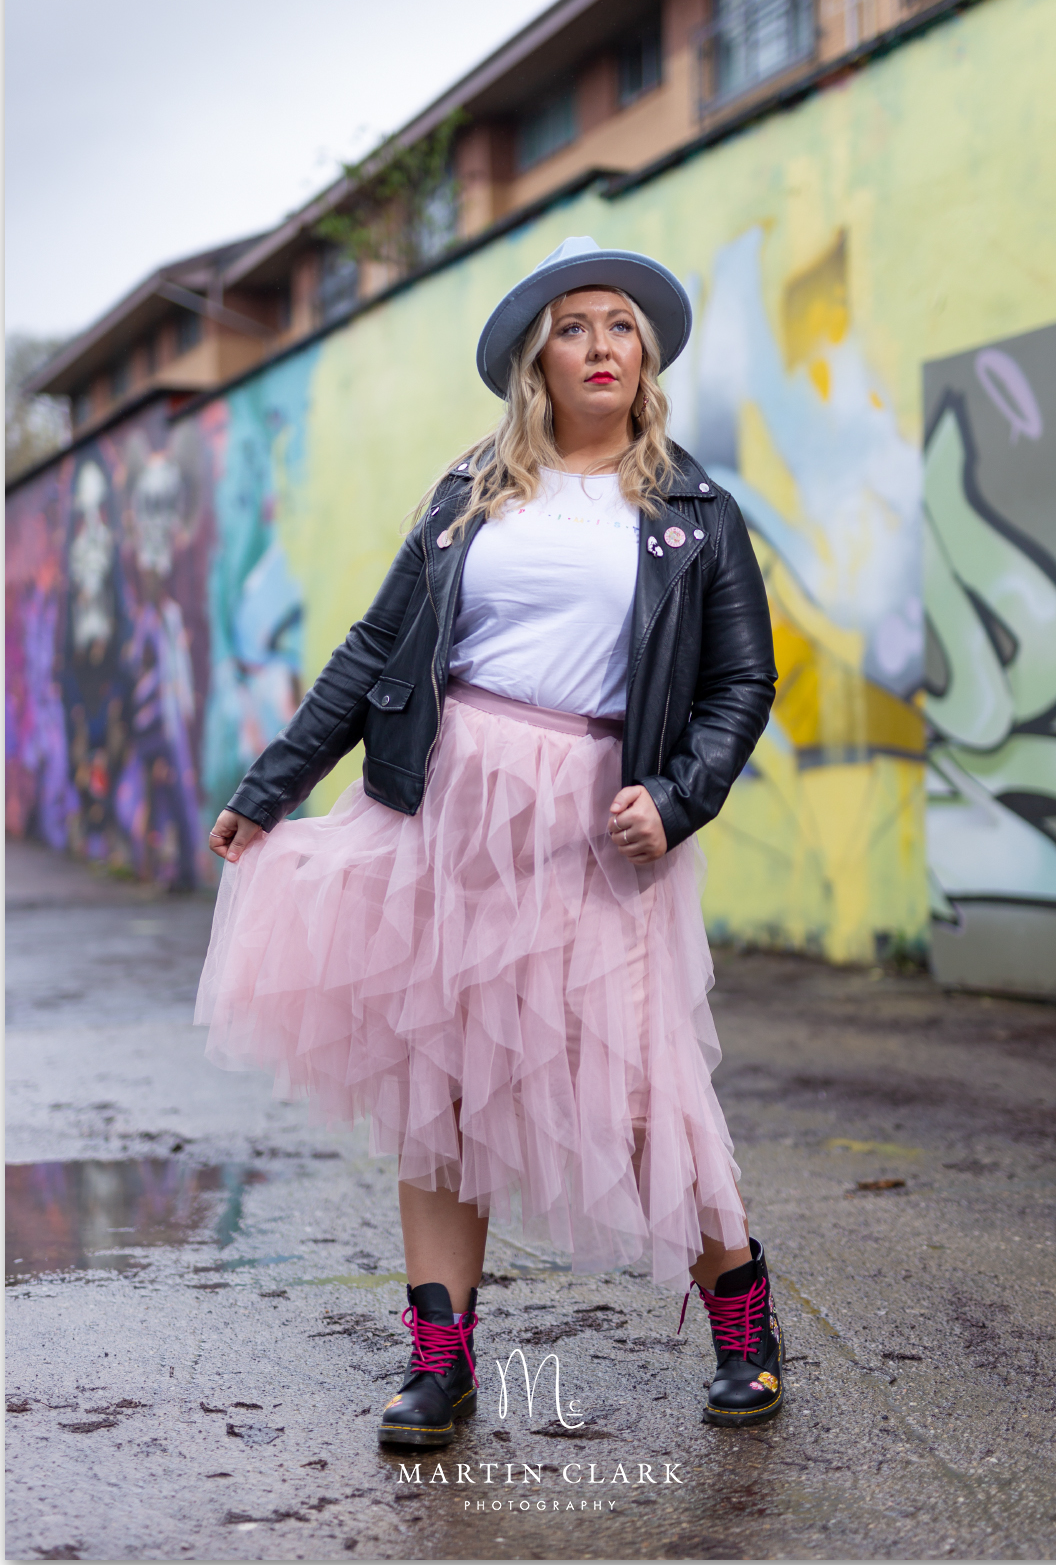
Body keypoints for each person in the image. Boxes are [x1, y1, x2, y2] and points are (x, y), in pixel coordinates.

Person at [195, 235, 782, 1447]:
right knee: (444, 1090)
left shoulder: (694, 510)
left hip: (594, 824)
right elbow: (375, 648)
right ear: (539, 357)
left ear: (646, 354)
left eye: (622, 325)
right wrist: (273, 783)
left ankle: (741, 1314)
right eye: (575, 326)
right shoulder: (472, 491)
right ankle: (439, 1364)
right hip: (448, 810)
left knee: (636, 1085)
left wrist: (677, 798)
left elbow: (741, 682)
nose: (602, 346)